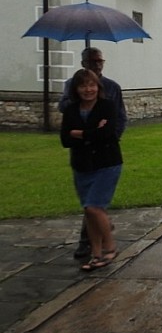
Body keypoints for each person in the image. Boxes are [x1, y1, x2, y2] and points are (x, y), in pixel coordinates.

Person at [59, 47, 127, 260]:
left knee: (93, 206)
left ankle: (102, 246)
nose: (96, 65)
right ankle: (95, 248)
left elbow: (116, 122)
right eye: (91, 61)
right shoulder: (72, 89)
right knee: (90, 207)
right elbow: (65, 136)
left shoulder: (111, 89)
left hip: (105, 157)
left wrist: (101, 135)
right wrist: (92, 132)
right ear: (83, 63)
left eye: (99, 61)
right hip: (82, 161)